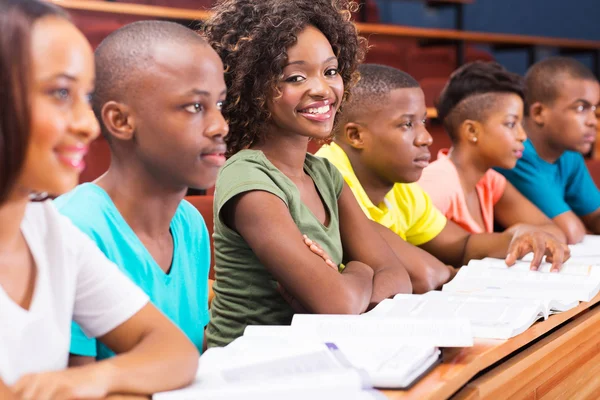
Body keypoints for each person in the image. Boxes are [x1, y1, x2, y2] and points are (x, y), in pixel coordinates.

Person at [0, 1, 198, 397]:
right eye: (59, 93)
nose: (88, 126)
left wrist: (90, 380)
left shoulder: (49, 228)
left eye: (84, 96)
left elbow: (174, 351)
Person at [203, 0, 413, 348]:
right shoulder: (247, 180)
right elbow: (339, 305)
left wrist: (346, 277)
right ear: (251, 88)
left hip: (315, 357)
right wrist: (360, 269)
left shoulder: (324, 174)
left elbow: (398, 279)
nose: (322, 89)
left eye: (330, 71)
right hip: (242, 370)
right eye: (295, 77)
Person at [54, 20, 227, 365]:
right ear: (120, 121)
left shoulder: (190, 223)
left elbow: (192, 354)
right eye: (195, 106)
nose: (220, 126)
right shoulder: (74, 229)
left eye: (220, 105)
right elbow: (77, 384)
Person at [316, 63, 569, 281]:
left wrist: (518, 237)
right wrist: (448, 272)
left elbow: (461, 245)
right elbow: (424, 274)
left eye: (423, 122)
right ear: (356, 135)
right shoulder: (325, 178)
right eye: (407, 124)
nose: (425, 138)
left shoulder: (402, 188)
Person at [418, 61, 566, 241]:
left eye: (521, 125)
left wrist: (521, 229)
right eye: (511, 124)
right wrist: (509, 238)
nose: (522, 136)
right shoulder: (438, 183)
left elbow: (554, 232)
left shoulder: (490, 181)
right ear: (472, 131)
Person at [496, 57, 600, 244]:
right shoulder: (516, 154)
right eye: (581, 108)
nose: (593, 120)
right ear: (538, 113)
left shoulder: (569, 154)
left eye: (594, 108)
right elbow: (570, 232)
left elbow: (595, 215)